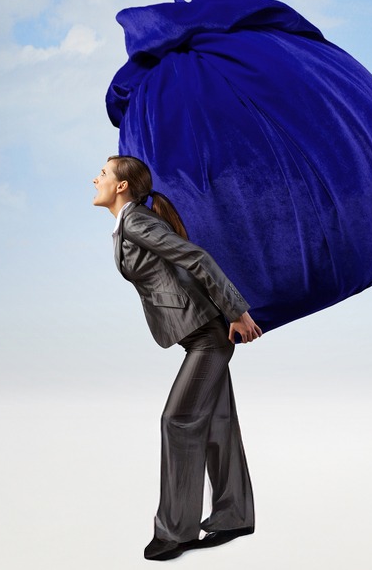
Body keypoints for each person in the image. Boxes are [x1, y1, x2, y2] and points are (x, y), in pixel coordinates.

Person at [93, 155, 260, 562]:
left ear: (121, 186)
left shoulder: (135, 221)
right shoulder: (127, 225)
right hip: (199, 334)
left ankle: (176, 532)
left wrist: (237, 312)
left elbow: (196, 258)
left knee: (178, 420)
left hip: (207, 336)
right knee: (217, 422)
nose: (94, 179)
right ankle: (233, 515)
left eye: (102, 174)